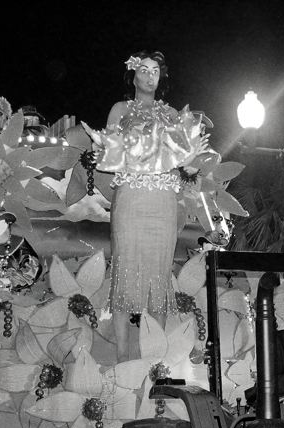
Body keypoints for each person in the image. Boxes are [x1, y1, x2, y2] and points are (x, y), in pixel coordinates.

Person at [88, 51, 207, 362]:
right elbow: (111, 155)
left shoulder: (171, 113)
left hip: (163, 201)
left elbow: (181, 158)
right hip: (130, 197)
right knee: (125, 272)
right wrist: (100, 146)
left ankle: (152, 359)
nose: (150, 75)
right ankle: (123, 357)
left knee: (158, 276)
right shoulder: (120, 109)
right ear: (133, 75)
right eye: (144, 69)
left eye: (156, 70)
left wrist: (191, 155)